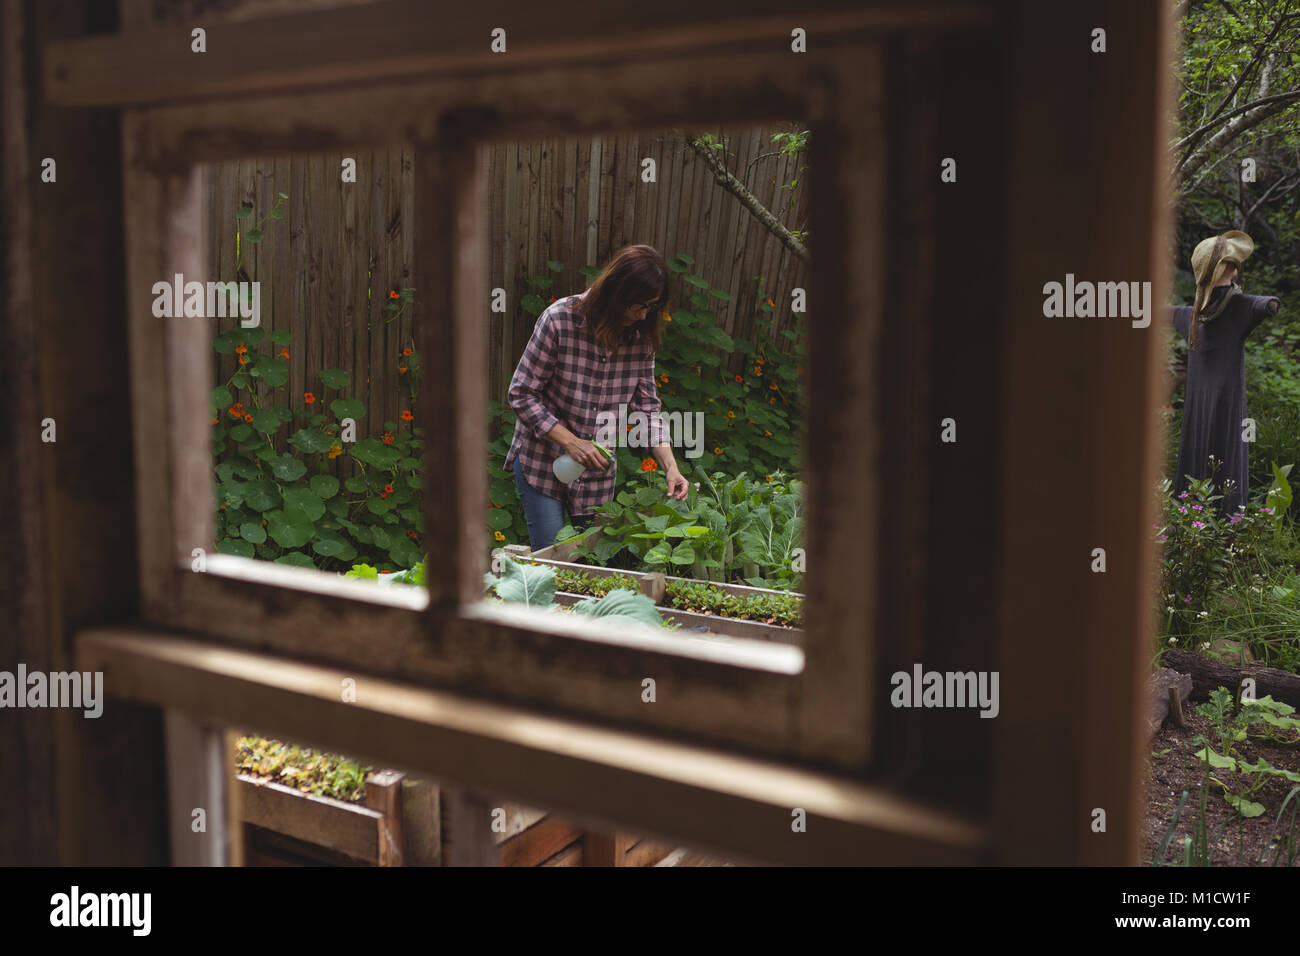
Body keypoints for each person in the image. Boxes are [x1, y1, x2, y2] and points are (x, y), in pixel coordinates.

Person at [504, 244, 690, 551]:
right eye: (637, 306)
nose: (643, 314)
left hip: (596, 478)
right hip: (543, 463)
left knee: (593, 564)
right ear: (615, 293)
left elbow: (647, 410)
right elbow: (522, 393)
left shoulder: (641, 338)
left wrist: (670, 467)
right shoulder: (559, 320)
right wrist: (572, 443)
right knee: (555, 561)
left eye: (651, 307)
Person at [1168, 229, 1281, 515]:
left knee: (1198, 450)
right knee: (1227, 451)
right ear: (1229, 268)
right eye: (1233, 263)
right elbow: (1263, 305)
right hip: (1227, 405)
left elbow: (1166, 311)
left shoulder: (1192, 314)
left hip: (1200, 407)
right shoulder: (1231, 308)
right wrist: (1270, 305)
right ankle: (1230, 522)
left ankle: (1189, 519)